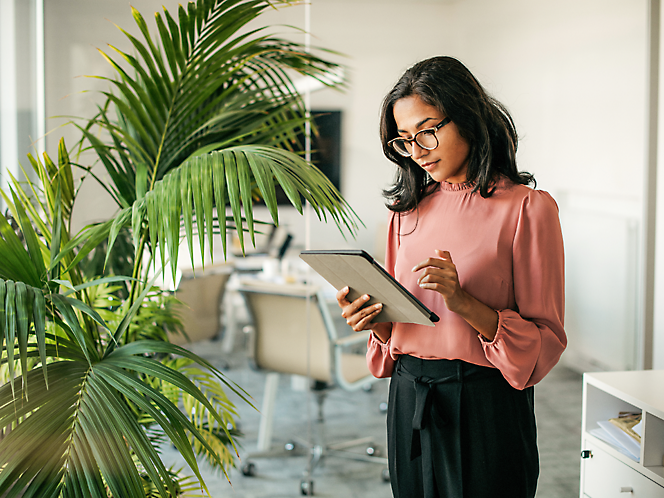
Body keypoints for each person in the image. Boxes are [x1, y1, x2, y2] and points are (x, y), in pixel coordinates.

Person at [336, 56, 566, 498]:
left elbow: (545, 344)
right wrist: (376, 321)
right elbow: (404, 328)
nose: (417, 150)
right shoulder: (406, 211)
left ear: (466, 117)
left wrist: (465, 303)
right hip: (409, 397)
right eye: (404, 140)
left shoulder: (528, 209)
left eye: (427, 130)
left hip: (484, 405)